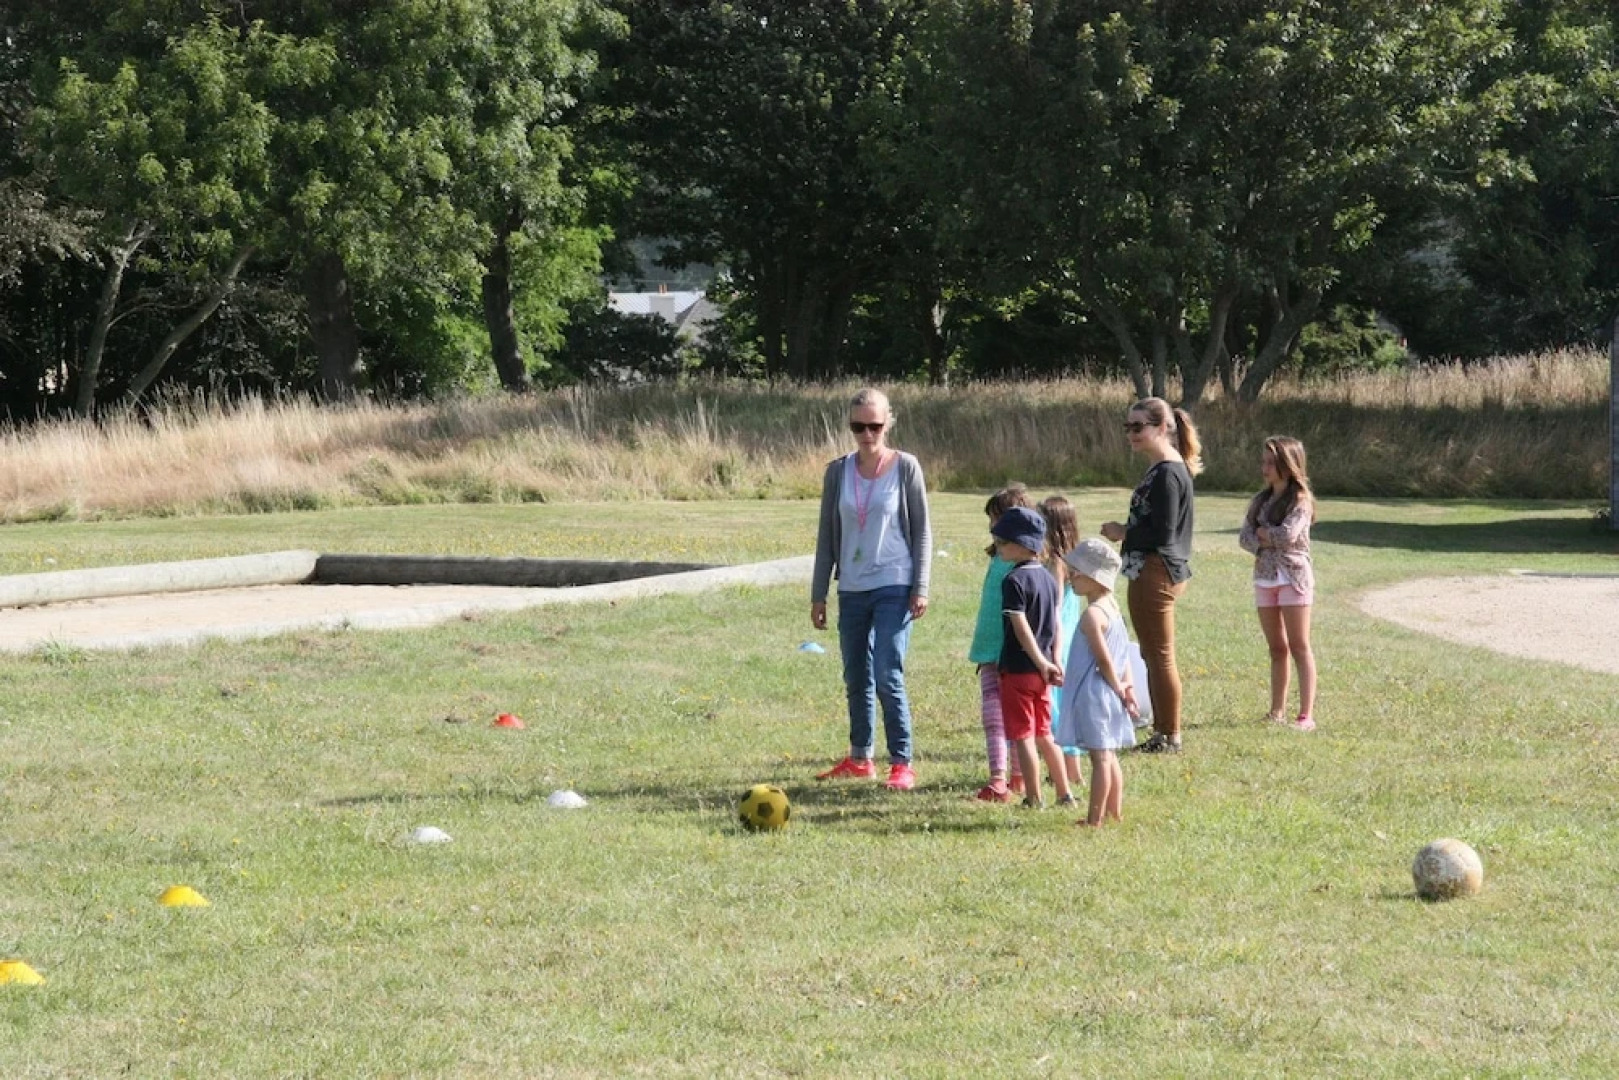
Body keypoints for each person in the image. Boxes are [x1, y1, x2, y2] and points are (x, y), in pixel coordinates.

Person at [811, 388, 932, 790]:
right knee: (855, 674)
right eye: (858, 426)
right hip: (852, 586)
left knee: (886, 672)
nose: (867, 434)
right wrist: (818, 593)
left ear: (888, 423)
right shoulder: (837, 471)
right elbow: (827, 535)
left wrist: (921, 585)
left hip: (894, 582)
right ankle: (861, 757)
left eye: (875, 426)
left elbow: (922, 532)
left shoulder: (906, 467)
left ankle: (902, 763)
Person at [1100, 396, 1202, 754]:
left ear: (1162, 428)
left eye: (1139, 427)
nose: (1131, 434)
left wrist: (1122, 531)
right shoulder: (1162, 469)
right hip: (1152, 570)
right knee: (1152, 653)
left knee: (1159, 655)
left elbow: (1164, 532)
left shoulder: (1169, 473)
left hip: (1157, 571)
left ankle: (1169, 735)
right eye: (1127, 427)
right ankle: (1162, 731)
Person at [992, 506, 1074, 810]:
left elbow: (1020, 626)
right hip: (1044, 673)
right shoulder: (1049, 581)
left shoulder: (1013, 581)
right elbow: (1055, 624)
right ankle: (1065, 794)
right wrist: (1054, 660)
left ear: (1024, 545)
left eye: (1004, 542)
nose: (999, 547)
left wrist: (1039, 660)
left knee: (1023, 736)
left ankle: (1034, 797)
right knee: (1044, 734)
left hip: (1018, 670)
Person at [1055, 538, 1140, 827]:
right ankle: (1114, 812)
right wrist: (1126, 688)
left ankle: (1094, 819)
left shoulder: (1093, 615)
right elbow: (1124, 656)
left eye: (1076, 572)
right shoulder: (1112, 609)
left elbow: (1104, 660)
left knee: (1100, 758)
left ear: (1094, 578)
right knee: (1110, 755)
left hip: (1096, 691)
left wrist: (1118, 687)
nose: (1070, 578)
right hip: (1111, 690)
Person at [1238, 436, 1318, 732]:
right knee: (1277, 648)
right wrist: (1264, 537)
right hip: (1264, 577)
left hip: (1293, 577)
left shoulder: (1300, 501)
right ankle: (1277, 711)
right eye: (1264, 462)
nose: (1265, 468)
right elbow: (1244, 537)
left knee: (1299, 645)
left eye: (1271, 463)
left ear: (1288, 464)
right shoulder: (1259, 501)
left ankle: (1306, 714)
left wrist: (1263, 534)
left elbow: (1290, 535)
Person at [968, 484, 1034, 802]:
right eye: (991, 521)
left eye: (999, 520)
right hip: (989, 649)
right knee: (993, 714)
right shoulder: (997, 557)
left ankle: (1015, 777)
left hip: (1014, 653)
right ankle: (999, 777)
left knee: (1013, 716)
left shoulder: (1024, 564)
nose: (993, 528)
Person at [1038, 495, 1084, 786]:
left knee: (1056, 708)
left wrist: (1051, 651)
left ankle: (1069, 772)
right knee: (1065, 705)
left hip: (1058, 642)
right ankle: (1073, 770)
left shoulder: (1055, 563)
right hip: (1068, 641)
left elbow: (1053, 608)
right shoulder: (1072, 560)